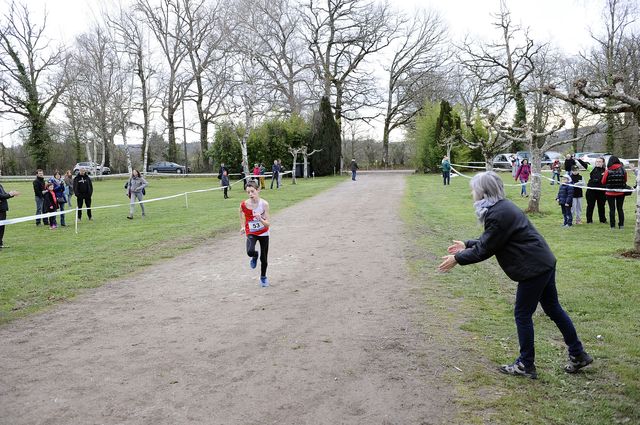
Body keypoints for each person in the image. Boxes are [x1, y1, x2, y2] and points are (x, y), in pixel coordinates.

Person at [438, 171, 593, 379]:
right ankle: (578, 354)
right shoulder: (502, 207)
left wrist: (458, 258)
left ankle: (526, 364)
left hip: (534, 268)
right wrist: (467, 244)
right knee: (553, 308)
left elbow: (485, 250)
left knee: (523, 314)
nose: (472, 193)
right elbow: (493, 240)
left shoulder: (497, 213)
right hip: (543, 262)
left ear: (483, 192)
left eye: (474, 189)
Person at [239, 180, 271, 287]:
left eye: (252, 191)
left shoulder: (264, 204)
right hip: (251, 231)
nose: (250, 194)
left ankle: (263, 277)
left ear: (258, 190)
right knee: (250, 252)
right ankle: (255, 255)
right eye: (248, 192)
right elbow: (240, 212)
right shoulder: (244, 204)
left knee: (264, 258)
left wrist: (260, 219)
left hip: (263, 232)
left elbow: (268, 224)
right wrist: (242, 226)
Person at [601, 155, 628, 230]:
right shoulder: (623, 169)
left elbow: (603, 181)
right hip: (621, 192)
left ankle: (612, 226)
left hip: (610, 193)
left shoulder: (608, 171)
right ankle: (621, 225)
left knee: (612, 209)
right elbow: (625, 180)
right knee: (620, 209)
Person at [578, 157, 607, 224]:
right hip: (591, 191)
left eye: (600, 161)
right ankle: (589, 220)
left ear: (603, 163)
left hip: (601, 191)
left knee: (601, 206)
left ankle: (602, 220)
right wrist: (579, 160)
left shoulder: (606, 170)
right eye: (597, 161)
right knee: (590, 206)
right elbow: (584, 165)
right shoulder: (592, 168)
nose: (598, 163)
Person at [0, 182, 20, 249]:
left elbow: (4, 195)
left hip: (3, 209)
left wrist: (11, 194)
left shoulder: (0, 185)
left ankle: (0, 243)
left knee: (2, 227)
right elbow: (1, 196)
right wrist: (10, 194)